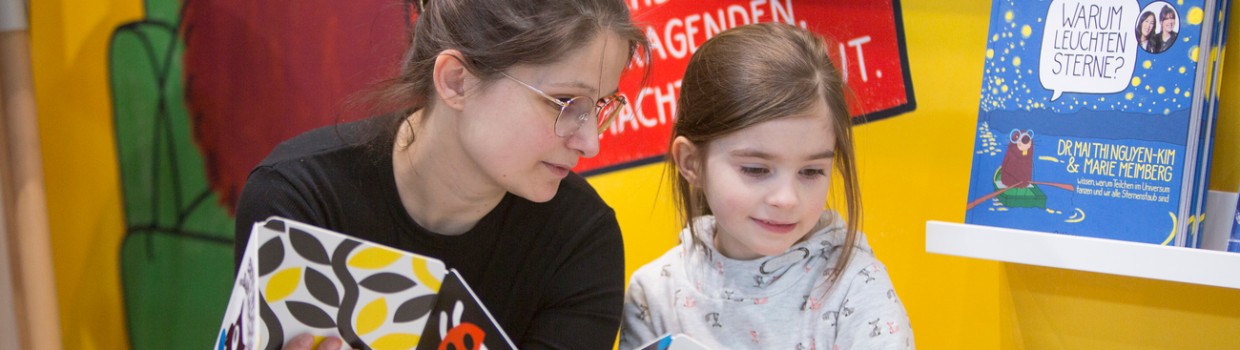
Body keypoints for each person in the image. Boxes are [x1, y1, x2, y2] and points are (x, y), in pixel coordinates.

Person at [232, 0, 648, 349]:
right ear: (456, 81)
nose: (590, 143)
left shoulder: (581, 240)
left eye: (599, 106)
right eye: (564, 102)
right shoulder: (298, 201)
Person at [619, 23, 914, 349]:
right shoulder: (654, 294)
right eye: (756, 169)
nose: (786, 199)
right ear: (691, 163)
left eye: (812, 172)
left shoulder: (858, 289)